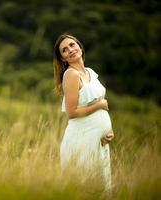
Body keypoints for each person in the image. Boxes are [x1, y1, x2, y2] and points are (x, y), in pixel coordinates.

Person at [53, 34, 114, 190]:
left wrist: (108, 131)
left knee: (100, 188)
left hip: (98, 141)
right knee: (84, 188)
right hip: (81, 140)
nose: (70, 50)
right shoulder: (71, 75)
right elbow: (71, 112)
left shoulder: (90, 72)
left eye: (72, 45)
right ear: (63, 59)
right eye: (64, 50)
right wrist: (99, 105)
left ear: (80, 46)